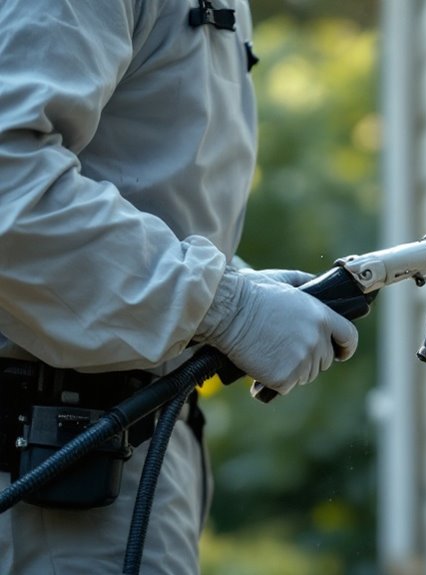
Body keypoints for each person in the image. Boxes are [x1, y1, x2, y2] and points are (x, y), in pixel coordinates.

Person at [0, 1, 358, 572]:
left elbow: (146, 176)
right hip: (53, 475)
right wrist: (226, 308)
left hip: (120, 452)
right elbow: (8, 182)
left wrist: (238, 286)